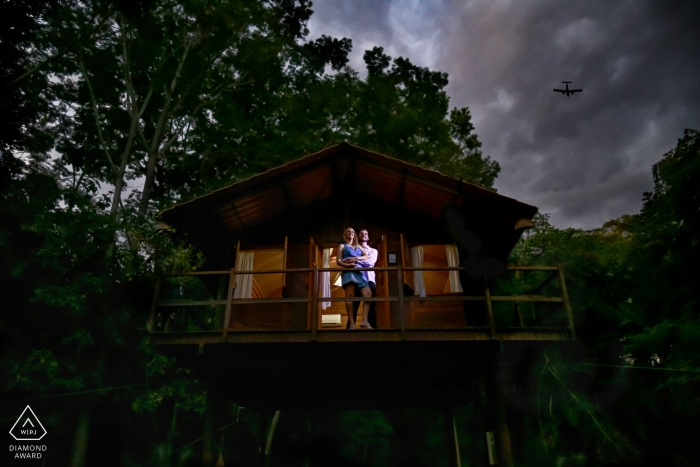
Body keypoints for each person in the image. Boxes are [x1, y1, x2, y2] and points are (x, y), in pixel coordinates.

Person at [336, 227, 372, 329]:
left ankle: (364, 320)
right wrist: (347, 265)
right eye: (349, 231)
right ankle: (352, 324)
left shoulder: (358, 246)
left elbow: (366, 256)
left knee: (368, 293)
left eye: (352, 231)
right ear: (345, 234)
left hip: (359, 272)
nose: (351, 233)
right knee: (350, 295)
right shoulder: (342, 246)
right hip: (348, 271)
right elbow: (338, 261)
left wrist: (357, 258)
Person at [346, 228, 378, 329]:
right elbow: (347, 260)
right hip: (357, 278)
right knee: (354, 303)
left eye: (365, 234)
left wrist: (355, 261)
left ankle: (370, 326)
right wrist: (355, 260)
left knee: (370, 303)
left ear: (368, 237)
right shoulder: (355, 249)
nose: (363, 235)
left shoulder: (373, 251)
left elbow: (370, 263)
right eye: (361, 233)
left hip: (369, 279)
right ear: (358, 236)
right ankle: (350, 327)